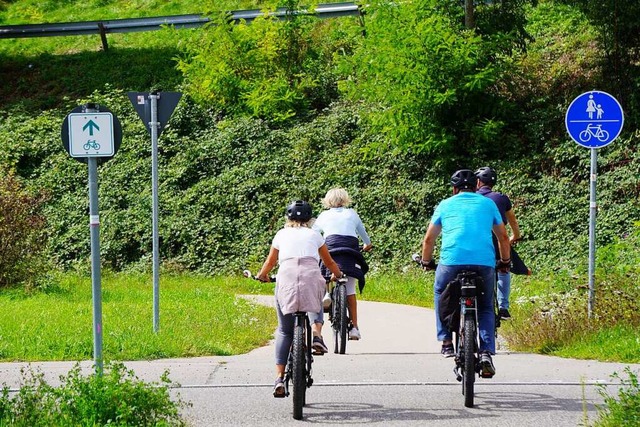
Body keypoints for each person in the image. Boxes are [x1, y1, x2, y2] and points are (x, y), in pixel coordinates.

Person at [420, 169, 510, 378]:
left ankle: (446, 341)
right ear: (477, 185)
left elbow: (428, 240)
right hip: (484, 263)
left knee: (440, 292)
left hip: (451, 262)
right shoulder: (488, 204)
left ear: (454, 188)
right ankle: (486, 352)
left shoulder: (445, 204)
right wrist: (504, 262)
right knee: (486, 305)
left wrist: (426, 261)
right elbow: (503, 238)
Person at [256, 200, 344, 397]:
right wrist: (338, 275)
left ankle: (279, 378)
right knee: (318, 291)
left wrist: (262, 275)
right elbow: (328, 261)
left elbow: (270, 261)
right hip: (311, 277)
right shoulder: (315, 235)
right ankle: (316, 335)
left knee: (284, 331)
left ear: (288, 218)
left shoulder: (281, 234)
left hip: (286, 278)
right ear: (309, 219)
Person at [312, 188, 372, 341]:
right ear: (345, 200)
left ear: (328, 201)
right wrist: (367, 244)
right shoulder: (352, 213)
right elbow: (363, 233)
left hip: (331, 246)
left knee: (324, 264)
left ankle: (326, 293)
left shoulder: (324, 215)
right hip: (349, 249)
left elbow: (314, 233)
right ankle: (355, 328)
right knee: (350, 289)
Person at [475, 166, 523, 320]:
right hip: (498, 238)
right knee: (504, 268)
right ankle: (503, 308)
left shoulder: (472, 197)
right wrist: (515, 236)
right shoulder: (501, 198)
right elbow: (512, 221)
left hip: (478, 238)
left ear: (478, 182)